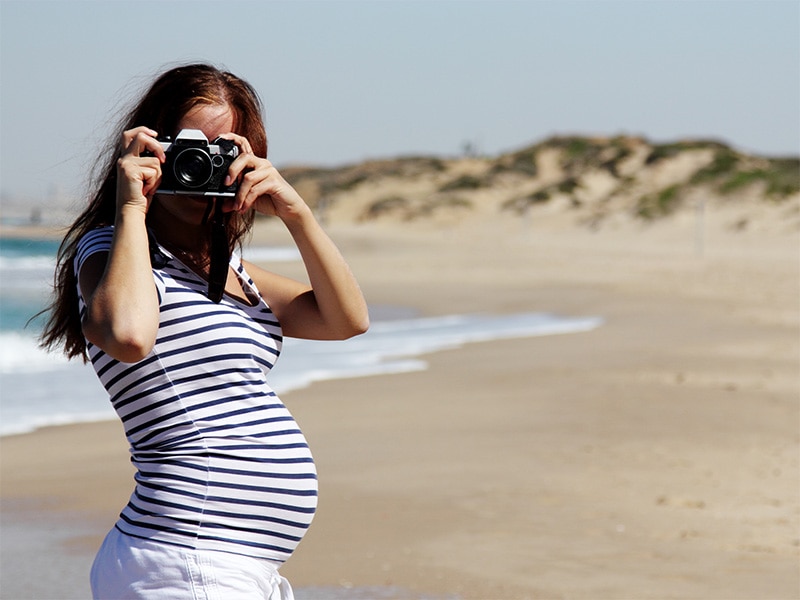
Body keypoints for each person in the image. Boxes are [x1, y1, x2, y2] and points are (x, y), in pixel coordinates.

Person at [39, 63, 369, 599]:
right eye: (187, 149)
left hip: (225, 565)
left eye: (224, 151)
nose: (200, 168)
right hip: (185, 557)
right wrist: (130, 205)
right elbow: (126, 335)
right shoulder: (110, 251)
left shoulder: (226, 268)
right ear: (150, 146)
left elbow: (346, 320)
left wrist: (296, 212)